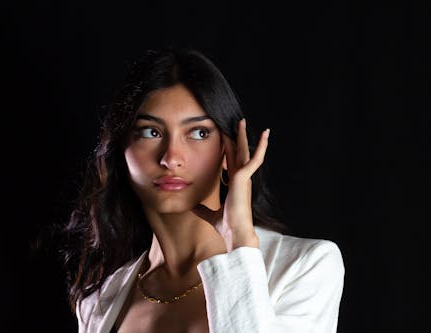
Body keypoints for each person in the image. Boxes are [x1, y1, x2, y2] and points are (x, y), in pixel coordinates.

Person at [62, 46, 345, 333]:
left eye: (199, 133)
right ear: (122, 151)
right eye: (151, 132)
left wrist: (239, 242)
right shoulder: (100, 301)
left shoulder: (304, 267)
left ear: (230, 151)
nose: (171, 158)